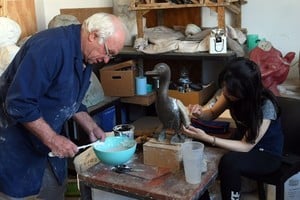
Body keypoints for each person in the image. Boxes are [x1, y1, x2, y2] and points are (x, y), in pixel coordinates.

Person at [0, 13, 127, 199]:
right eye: (108, 52)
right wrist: (53, 139)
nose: (107, 60)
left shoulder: (86, 54)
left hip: (44, 143)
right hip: (15, 142)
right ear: (93, 35)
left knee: (54, 191)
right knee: (21, 195)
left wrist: (91, 126)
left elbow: (68, 98)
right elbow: (19, 103)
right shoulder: (49, 48)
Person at [182, 57, 283, 200]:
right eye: (224, 87)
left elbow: (246, 146)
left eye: (231, 91)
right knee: (196, 147)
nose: (225, 92)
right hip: (242, 142)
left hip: (266, 153)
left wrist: (209, 138)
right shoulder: (229, 93)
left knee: (229, 162)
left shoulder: (265, 105)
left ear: (247, 91)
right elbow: (211, 114)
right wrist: (200, 113)